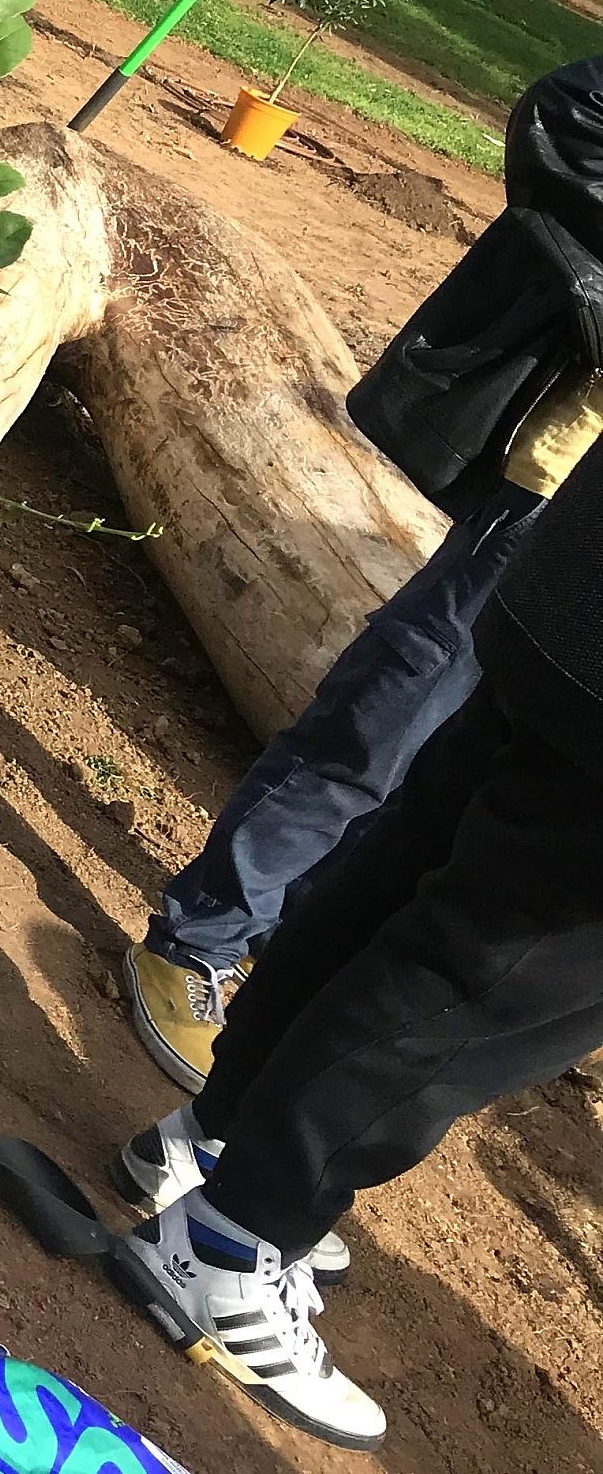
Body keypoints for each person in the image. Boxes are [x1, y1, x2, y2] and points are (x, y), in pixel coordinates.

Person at [107, 426, 603, 1449]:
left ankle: (207, 1139)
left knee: (409, 864)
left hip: (570, 589)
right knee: (497, 975)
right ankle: (230, 1242)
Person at [126, 54, 603, 1096]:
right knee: (398, 707)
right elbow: (568, 111)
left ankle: (291, 961)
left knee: (465, 774)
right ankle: (201, 933)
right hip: (564, 488)